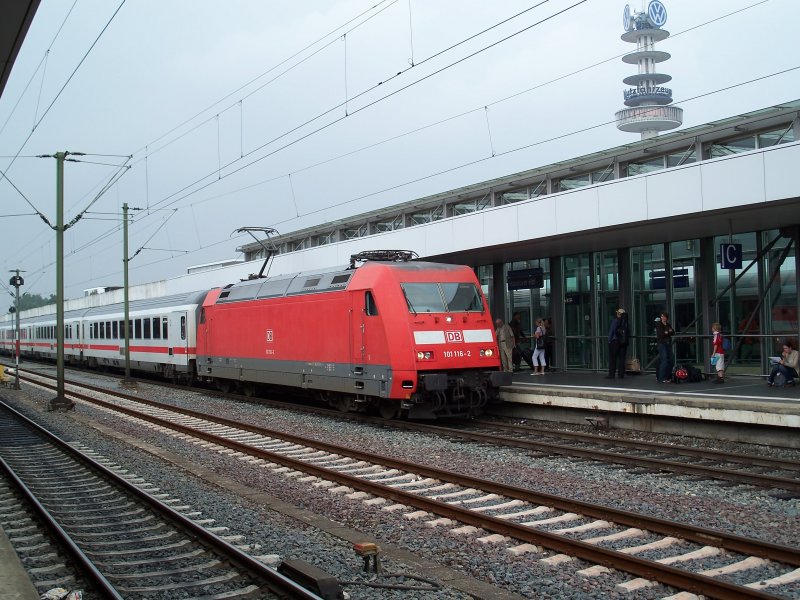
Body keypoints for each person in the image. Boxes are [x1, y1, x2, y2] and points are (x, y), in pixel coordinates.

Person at [606, 308, 629, 379]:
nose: (617, 314)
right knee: (621, 359)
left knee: (612, 359)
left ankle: (611, 375)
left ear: (619, 314)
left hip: (615, 341)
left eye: (618, 313)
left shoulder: (615, 321)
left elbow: (612, 331)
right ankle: (621, 374)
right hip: (623, 343)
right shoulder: (626, 323)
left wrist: (609, 340)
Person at [655, 312, 675, 383]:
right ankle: (661, 378)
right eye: (662, 316)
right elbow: (662, 334)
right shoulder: (659, 324)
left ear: (667, 318)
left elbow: (673, 332)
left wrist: (667, 332)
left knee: (671, 360)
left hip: (668, 344)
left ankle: (668, 377)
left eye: (664, 316)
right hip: (662, 344)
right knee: (664, 360)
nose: (663, 318)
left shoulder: (668, 324)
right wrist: (667, 332)